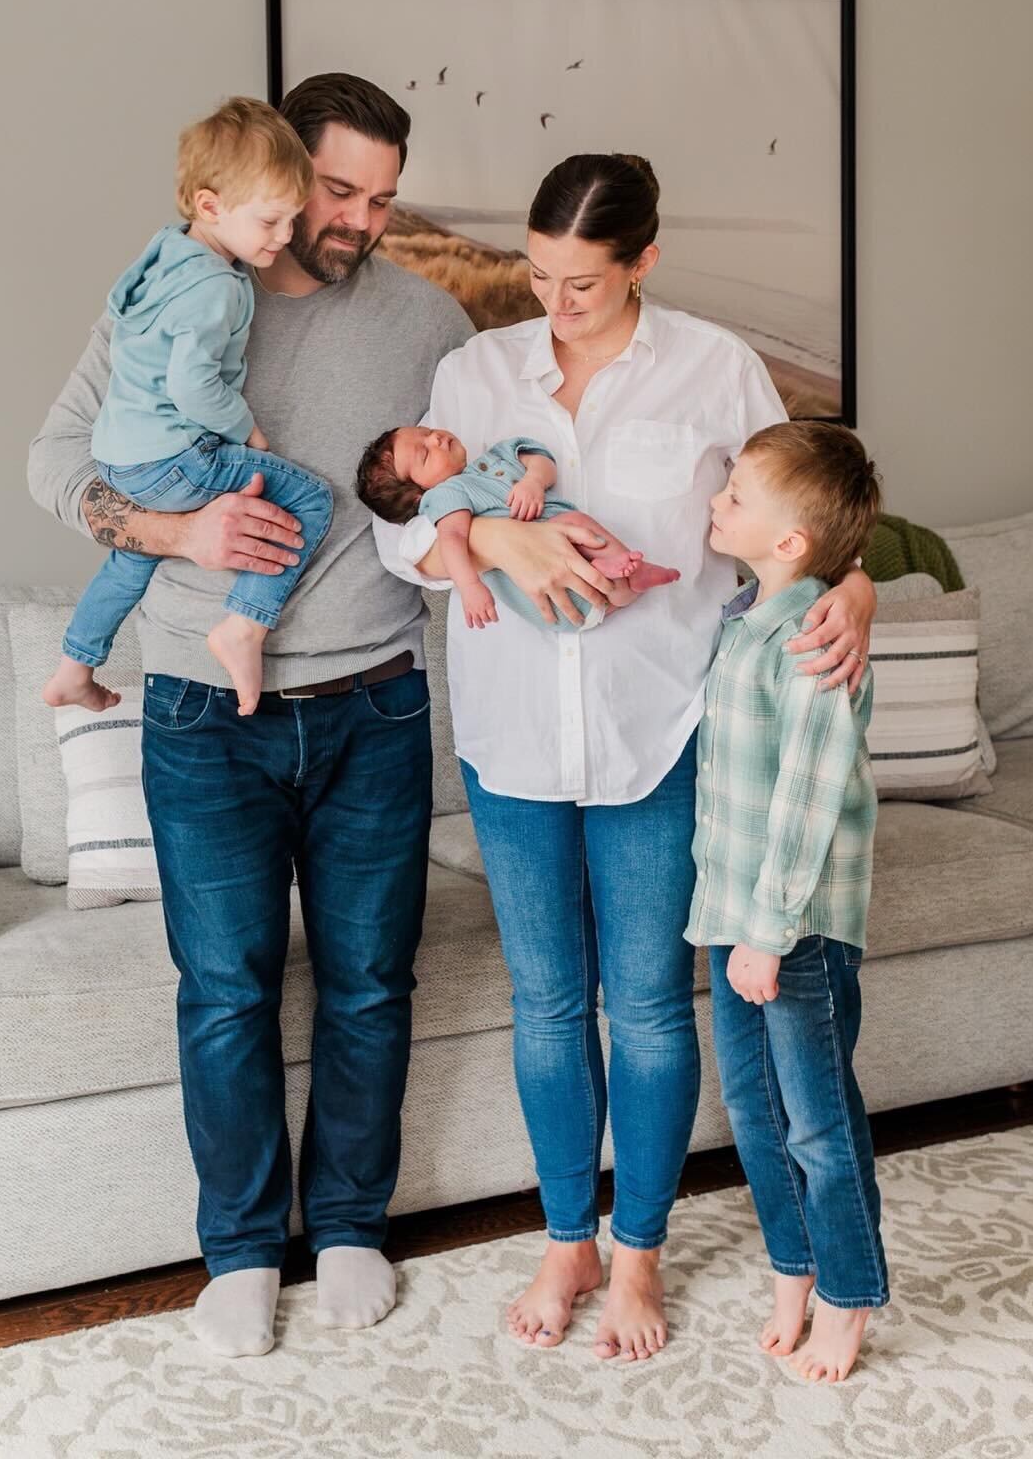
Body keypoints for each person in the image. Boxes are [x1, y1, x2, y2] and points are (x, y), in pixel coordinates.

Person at [372, 152, 877, 1364]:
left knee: (649, 1008)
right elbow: (401, 540)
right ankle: (567, 1241)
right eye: (539, 276)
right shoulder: (473, 371)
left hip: (663, 737)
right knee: (548, 1005)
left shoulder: (717, 368)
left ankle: (638, 1251)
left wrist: (855, 584)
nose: (556, 304)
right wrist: (488, 532)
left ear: (645, 260)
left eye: (585, 282)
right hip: (512, 739)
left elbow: (807, 511)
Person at [28, 74, 474, 1358]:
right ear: (280, 172)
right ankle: (237, 1251)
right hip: (199, 713)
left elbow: (495, 469)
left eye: (385, 199)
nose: (359, 222)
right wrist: (173, 527)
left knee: (370, 983)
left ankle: (345, 1225)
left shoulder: (429, 323)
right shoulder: (179, 291)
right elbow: (55, 460)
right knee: (224, 990)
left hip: (375, 704)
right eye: (338, 191)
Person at [685, 421, 887, 1384]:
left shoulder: (812, 637)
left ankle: (851, 1298)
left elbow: (808, 797)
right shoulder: (744, 619)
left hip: (793, 929)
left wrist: (766, 937)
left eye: (735, 498)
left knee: (817, 1122)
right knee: (756, 1116)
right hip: (736, 917)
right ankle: (792, 1272)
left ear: (790, 543)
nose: (716, 504)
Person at [43, 97, 333, 717]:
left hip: (120, 462)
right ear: (211, 205)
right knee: (310, 497)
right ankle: (244, 627)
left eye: (292, 220)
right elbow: (195, 388)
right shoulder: (212, 289)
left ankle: (74, 665)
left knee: (132, 555)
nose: (284, 238)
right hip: (174, 456)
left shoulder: (166, 254)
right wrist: (248, 430)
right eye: (270, 222)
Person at [354, 425, 680, 630]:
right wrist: (470, 586)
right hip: (548, 593)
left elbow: (541, 460)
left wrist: (533, 481)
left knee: (607, 580)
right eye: (425, 453)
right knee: (573, 523)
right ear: (419, 494)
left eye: (426, 432)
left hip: (582, 588)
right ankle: (613, 569)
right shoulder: (445, 496)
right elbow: (453, 539)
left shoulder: (495, 458)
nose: (436, 437)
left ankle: (626, 574)